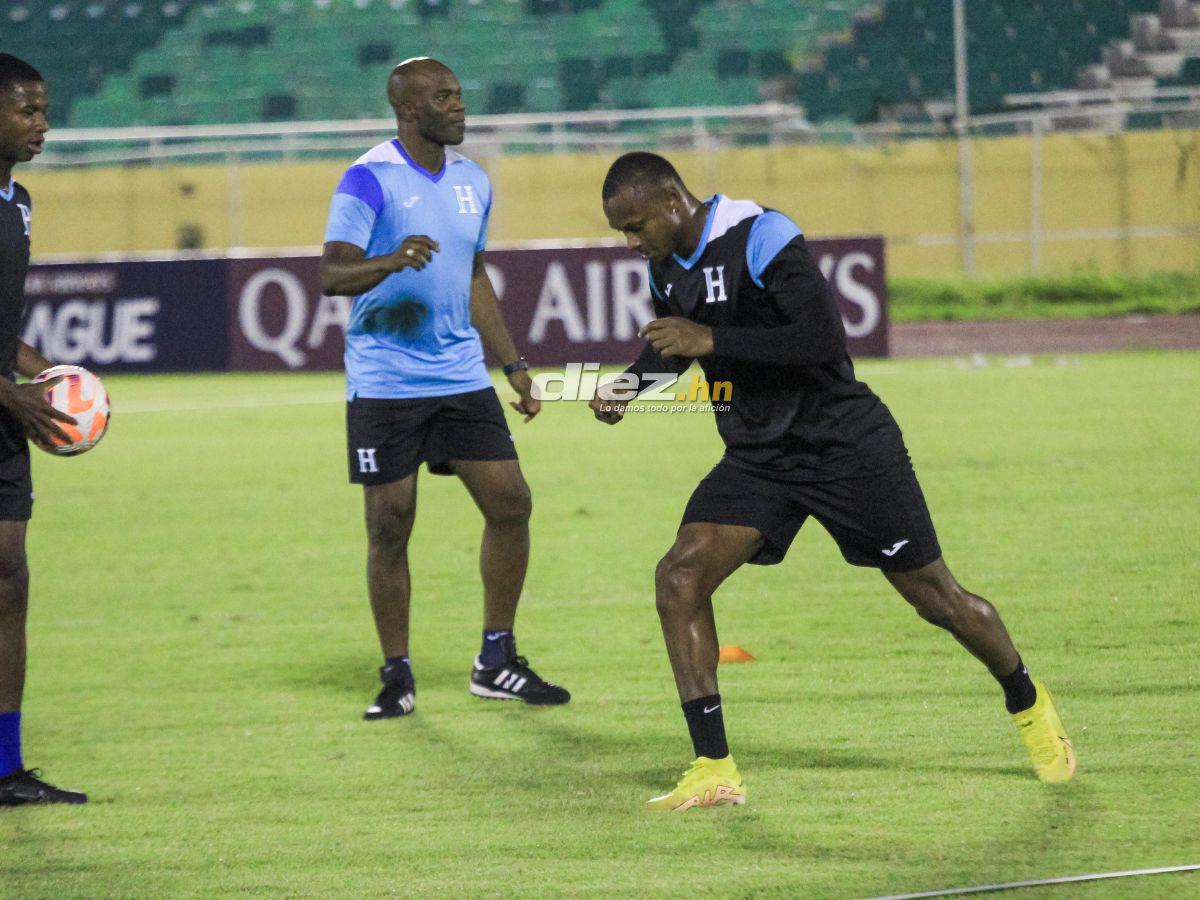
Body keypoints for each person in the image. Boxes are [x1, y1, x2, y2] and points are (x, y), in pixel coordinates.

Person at [591, 151, 1075, 811]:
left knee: (939, 602)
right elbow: (676, 346)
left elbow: (820, 339)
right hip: (760, 455)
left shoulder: (758, 233)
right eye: (621, 230)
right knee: (680, 575)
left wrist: (710, 339)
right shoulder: (663, 267)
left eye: (635, 224)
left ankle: (1026, 698)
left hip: (843, 443)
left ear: (673, 200)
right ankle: (713, 767)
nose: (630, 241)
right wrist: (630, 384)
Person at [320, 58, 569, 719]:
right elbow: (331, 275)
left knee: (511, 502)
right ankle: (397, 674)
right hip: (386, 381)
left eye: (459, 93)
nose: (459, 105)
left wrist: (512, 364)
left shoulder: (473, 182)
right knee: (390, 525)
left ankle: (496, 658)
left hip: (459, 375)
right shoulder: (367, 178)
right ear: (408, 110)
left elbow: (474, 275)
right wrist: (390, 260)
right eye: (443, 96)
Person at [0, 54, 88, 805]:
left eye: (43, 109)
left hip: (2, 416)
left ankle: (6, 767)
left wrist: (43, 373)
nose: (42, 124)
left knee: (9, 577)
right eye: (27, 110)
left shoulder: (19, 201)